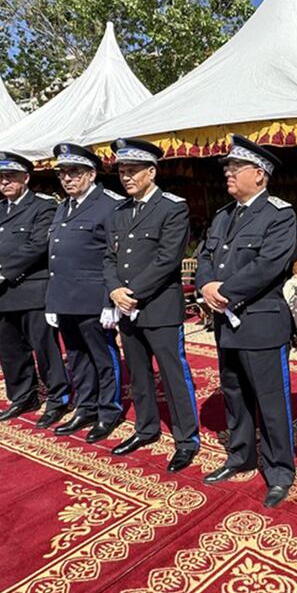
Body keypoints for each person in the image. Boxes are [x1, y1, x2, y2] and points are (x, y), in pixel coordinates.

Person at [195, 135, 297, 508]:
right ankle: (241, 456)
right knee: (234, 394)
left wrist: (224, 291)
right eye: (227, 167)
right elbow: (205, 256)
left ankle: (279, 470)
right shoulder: (224, 215)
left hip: (260, 323)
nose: (228, 172)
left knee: (271, 402)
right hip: (226, 323)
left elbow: (268, 266)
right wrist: (205, 284)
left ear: (259, 174)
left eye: (235, 167)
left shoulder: (279, 214)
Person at [102, 137, 201, 473]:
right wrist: (114, 290)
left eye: (132, 170)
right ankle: (146, 429)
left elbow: (167, 259)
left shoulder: (172, 207)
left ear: (152, 172)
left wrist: (129, 293)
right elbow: (108, 258)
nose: (126, 177)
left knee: (173, 375)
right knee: (139, 373)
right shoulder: (119, 212)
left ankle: (186, 439)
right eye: (122, 171)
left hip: (159, 307)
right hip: (125, 307)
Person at [0, 150, 71, 428]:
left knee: (45, 350)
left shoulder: (43, 206)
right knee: (11, 351)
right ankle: (23, 396)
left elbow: (38, 245)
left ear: (25, 178)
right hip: (0, 294)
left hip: (30, 290)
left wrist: (2, 273)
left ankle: (57, 398)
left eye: (10, 176)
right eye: (0, 177)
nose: (4, 182)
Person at [44, 143, 126, 443]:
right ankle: (86, 407)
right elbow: (56, 257)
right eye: (63, 173)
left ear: (91, 174)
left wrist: (109, 301)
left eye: (74, 172)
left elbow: (115, 256)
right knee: (77, 358)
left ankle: (108, 410)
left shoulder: (110, 205)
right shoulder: (63, 206)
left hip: (94, 299)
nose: (67, 178)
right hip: (65, 298)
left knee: (103, 358)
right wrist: (52, 301)